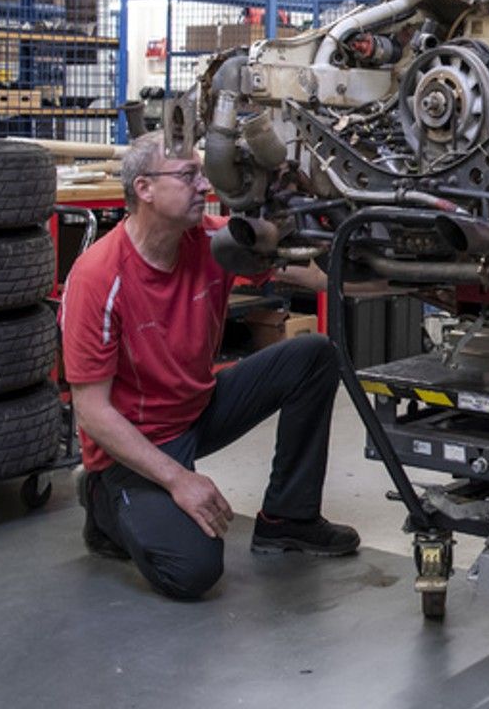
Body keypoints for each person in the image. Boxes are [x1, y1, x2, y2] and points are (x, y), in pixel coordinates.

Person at [60, 133, 359, 600]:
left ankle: (288, 520)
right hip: (140, 440)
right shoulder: (99, 276)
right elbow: (92, 412)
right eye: (189, 175)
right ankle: (102, 504)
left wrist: (404, 278)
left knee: (313, 355)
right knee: (192, 570)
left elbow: (307, 272)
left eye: (203, 173)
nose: (204, 186)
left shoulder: (211, 242)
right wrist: (179, 480)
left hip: (199, 408)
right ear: (144, 189)